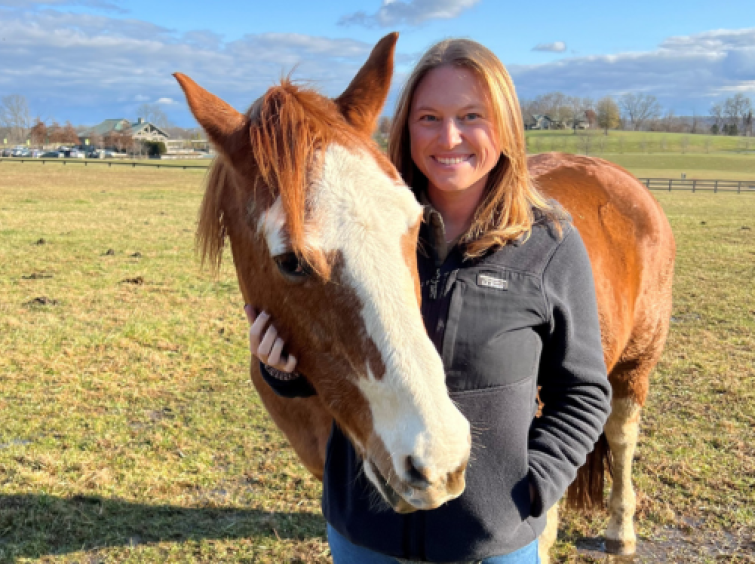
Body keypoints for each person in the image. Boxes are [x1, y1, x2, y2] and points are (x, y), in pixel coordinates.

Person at [243, 38, 611, 564]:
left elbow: (583, 390)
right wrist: (284, 370)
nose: (450, 137)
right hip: (364, 537)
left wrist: (530, 493)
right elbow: (342, 351)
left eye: (471, 116)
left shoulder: (548, 245)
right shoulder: (364, 229)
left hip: (490, 545)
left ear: (504, 125)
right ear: (406, 128)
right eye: (429, 117)